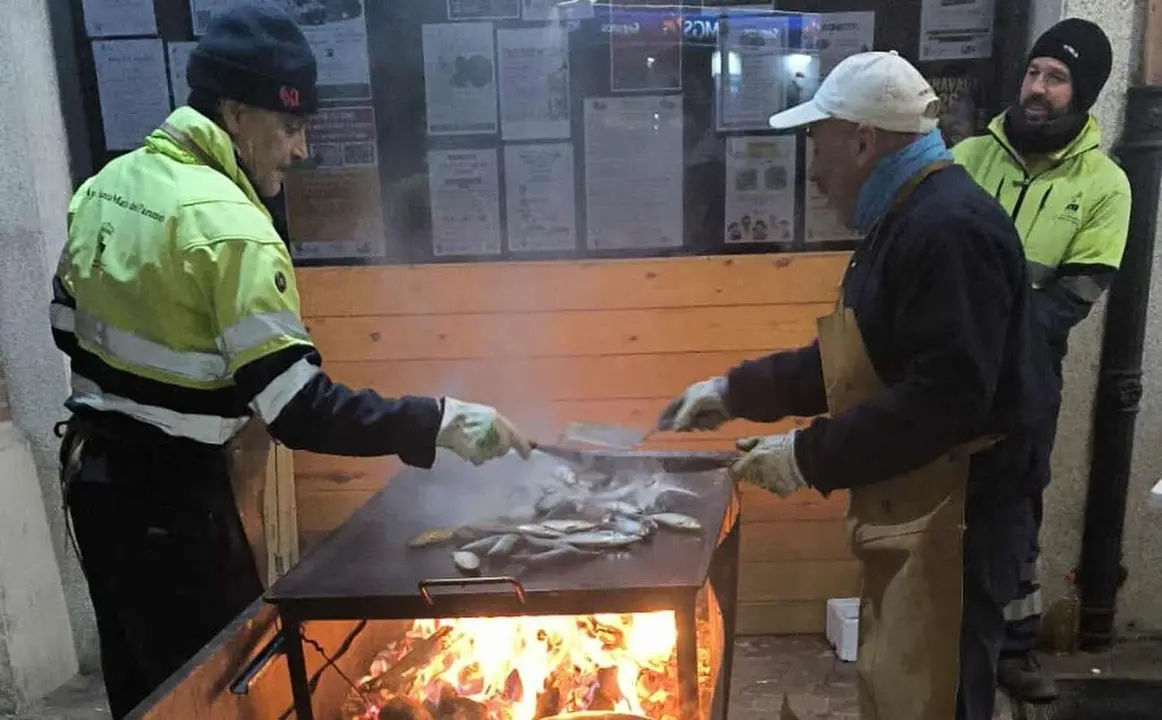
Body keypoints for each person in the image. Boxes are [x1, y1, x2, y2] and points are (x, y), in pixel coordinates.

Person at [48, 6, 531, 717]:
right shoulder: (232, 229)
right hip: (178, 511)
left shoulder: (107, 187)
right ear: (236, 112)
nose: (302, 151)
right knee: (226, 692)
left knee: (148, 695)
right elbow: (299, 408)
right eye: (291, 127)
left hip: (97, 489)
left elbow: (66, 327)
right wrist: (440, 421)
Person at [657, 51, 1055, 720]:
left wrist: (805, 456)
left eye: (820, 143)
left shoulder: (949, 228)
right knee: (901, 683)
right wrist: (736, 390)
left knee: (943, 692)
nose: (815, 169)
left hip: (964, 516)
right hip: (921, 509)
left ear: (864, 140)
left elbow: (946, 400)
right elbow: (853, 361)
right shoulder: (905, 217)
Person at [952, 18, 1130, 702]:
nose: (1038, 88)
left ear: (1082, 93)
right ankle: (945, 633)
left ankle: (1015, 649)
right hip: (949, 369)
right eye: (1034, 72)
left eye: (1057, 79)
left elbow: (1074, 296)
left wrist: (997, 343)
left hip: (1025, 375)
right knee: (941, 503)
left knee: (1014, 508)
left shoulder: (1107, 186)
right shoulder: (971, 157)